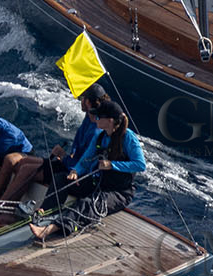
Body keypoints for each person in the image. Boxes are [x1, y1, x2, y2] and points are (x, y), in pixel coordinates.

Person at [29, 100, 143, 243]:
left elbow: (140, 165)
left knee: (89, 203)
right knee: (62, 179)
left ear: (110, 120)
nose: (94, 119)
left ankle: (50, 229)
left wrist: (112, 165)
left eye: (98, 117)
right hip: (99, 183)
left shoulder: (128, 138)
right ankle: (44, 211)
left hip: (119, 192)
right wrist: (76, 171)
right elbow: (86, 158)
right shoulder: (100, 136)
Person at [0, 84, 108, 203]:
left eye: (83, 97)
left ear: (88, 102)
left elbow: (84, 165)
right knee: (22, 162)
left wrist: (63, 156)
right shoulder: (89, 117)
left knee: (26, 169)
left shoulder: (96, 129)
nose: (81, 100)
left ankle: (0, 209)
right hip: (68, 163)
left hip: (73, 173)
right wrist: (68, 156)